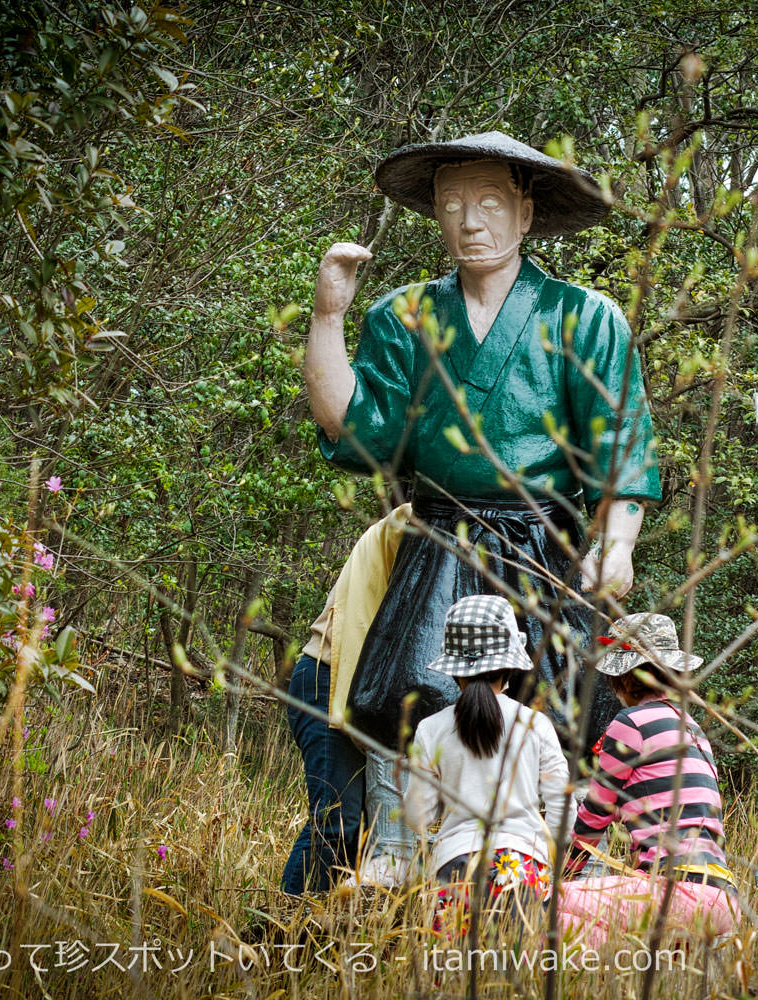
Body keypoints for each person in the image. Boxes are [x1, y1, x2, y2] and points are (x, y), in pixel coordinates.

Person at [305, 131, 661, 757]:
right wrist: (328, 318)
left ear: (525, 213)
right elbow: (355, 429)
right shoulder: (403, 315)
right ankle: (406, 847)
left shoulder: (585, 318)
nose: (470, 222)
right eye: (451, 205)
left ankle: (553, 850)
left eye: (490, 202)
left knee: (563, 715)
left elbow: (620, 448)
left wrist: (619, 543)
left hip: (543, 547)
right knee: (411, 705)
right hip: (438, 544)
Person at [558, 613, 739, 951]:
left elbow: (594, 818)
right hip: (722, 899)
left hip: (676, 892)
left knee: (547, 904)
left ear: (625, 678)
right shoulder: (693, 729)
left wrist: (564, 873)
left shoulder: (632, 723)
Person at [404, 594, 569, 936]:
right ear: (508, 665)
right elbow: (561, 808)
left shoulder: (430, 729)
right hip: (525, 865)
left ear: (454, 669)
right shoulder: (535, 725)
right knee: (518, 972)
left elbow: (417, 817)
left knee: (454, 972)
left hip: (456, 866)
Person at [282, 504, 410, 895]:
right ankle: (287, 925)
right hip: (326, 677)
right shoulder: (405, 524)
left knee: (373, 831)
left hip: (370, 691)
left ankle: (333, 931)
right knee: (338, 820)